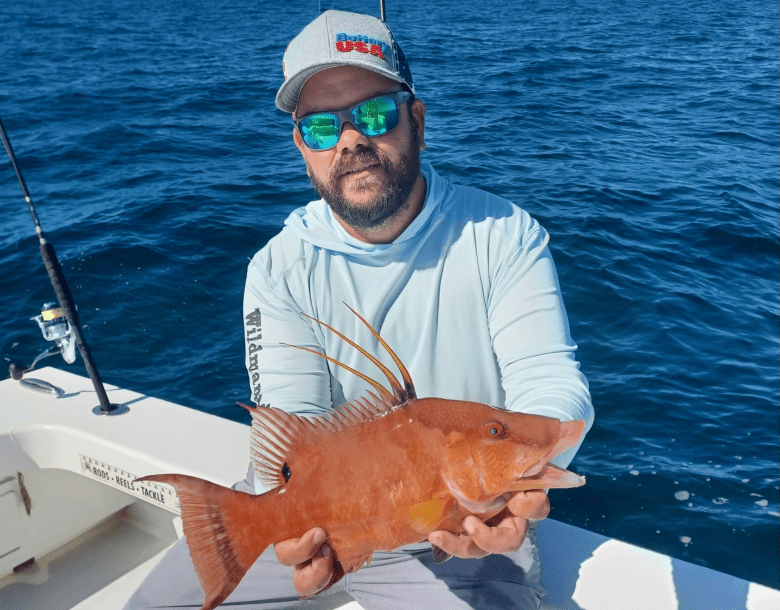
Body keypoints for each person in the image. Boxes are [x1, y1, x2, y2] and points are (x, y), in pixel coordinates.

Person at [124, 9, 593, 610]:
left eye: (374, 114)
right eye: (322, 127)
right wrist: (291, 520)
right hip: (327, 514)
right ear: (302, 147)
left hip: (464, 531)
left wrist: (509, 492)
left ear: (416, 123)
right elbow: (289, 428)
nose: (350, 139)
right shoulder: (277, 267)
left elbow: (549, 382)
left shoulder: (501, 234)